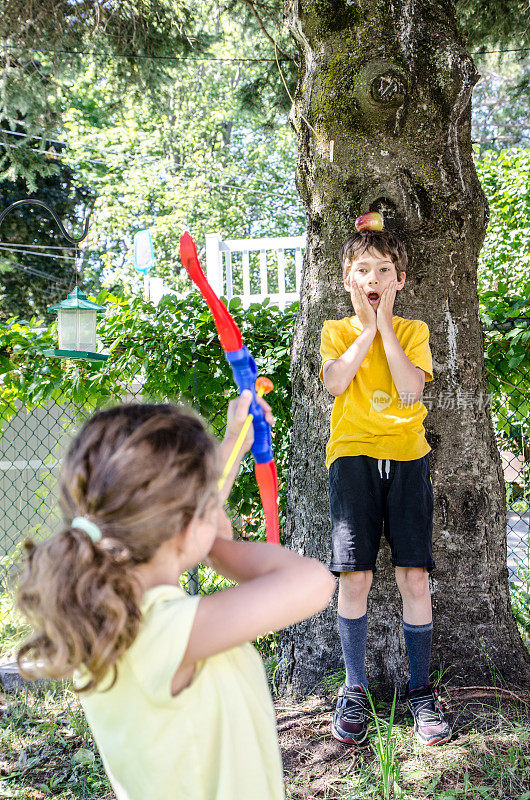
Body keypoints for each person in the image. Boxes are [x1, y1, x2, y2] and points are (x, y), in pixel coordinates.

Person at [17, 393, 336, 799]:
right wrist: (219, 549)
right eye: (208, 506)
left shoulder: (105, 613)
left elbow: (175, 512)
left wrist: (236, 438)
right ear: (185, 527)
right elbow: (314, 581)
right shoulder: (162, 631)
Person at [320, 222, 452, 746]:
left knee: (413, 578)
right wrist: (367, 331)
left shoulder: (415, 331)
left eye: (383, 271)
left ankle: (420, 691)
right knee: (354, 579)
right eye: (362, 270)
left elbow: (410, 389)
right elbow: (334, 381)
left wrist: (388, 327)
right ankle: (354, 688)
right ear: (347, 280)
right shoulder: (336, 330)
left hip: (407, 458)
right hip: (352, 457)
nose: (372, 278)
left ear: (399, 280)